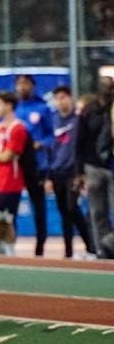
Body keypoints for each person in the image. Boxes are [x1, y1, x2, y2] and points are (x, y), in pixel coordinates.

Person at [49, 85, 97, 259]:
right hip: (57, 171)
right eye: (58, 98)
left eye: (64, 97)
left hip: (72, 172)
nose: (61, 101)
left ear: (70, 98)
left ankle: (91, 246)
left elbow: (81, 146)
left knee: (72, 208)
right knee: (64, 212)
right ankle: (68, 251)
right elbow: (52, 147)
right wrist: (49, 174)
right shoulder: (54, 120)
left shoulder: (78, 119)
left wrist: (80, 172)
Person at [14, 74, 52, 256]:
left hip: (36, 166)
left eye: (26, 83)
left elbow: (52, 136)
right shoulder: (13, 109)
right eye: (20, 84)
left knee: (38, 207)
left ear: (33, 86)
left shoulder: (43, 108)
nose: (23, 87)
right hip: (14, 167)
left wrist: (40, 143)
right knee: (8, 206)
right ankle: (7, 245)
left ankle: (40, 247)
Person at [75, 79, 114, 257]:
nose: (108, 90)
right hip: (93, 166)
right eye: (105, 86)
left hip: (112, 165)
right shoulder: (89, 111)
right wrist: (79, 172)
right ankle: (102, 250)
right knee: (97, 212)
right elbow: (78, 141)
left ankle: (109, 243)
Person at [0, 91, 28, 256]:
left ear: (9, 105)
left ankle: (10, 249)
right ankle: (1, 247)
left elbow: (7, 156)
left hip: (10, 182)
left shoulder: (17, 128)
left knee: (7, 217)